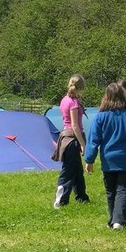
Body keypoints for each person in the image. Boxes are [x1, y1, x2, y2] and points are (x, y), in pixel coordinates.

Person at [84, 83, 126, 229]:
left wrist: (89, 160)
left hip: (108, 160)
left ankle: (114, 219)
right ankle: (119, 221)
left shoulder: (100, 117)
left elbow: (93, 140)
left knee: (111, 191)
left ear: (106, 97)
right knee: (124, 189)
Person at [52, 74, 90, 208]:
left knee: (77, 171)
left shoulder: (64, 100)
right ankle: (60, 200)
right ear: (80, 88)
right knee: (68, 171)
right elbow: (75, 125)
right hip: (71, 139)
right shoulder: (73, 103)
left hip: (65, 137)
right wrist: (82, 144)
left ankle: (82, 197)